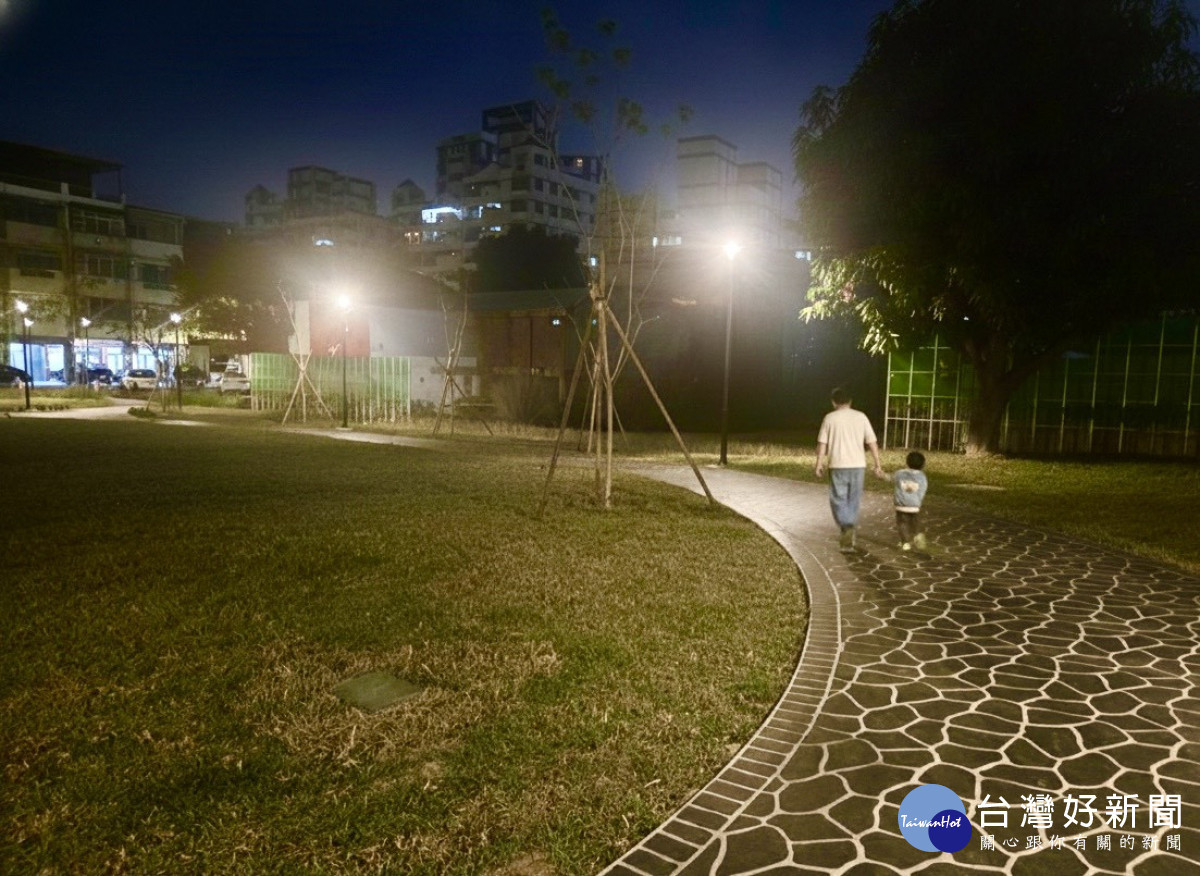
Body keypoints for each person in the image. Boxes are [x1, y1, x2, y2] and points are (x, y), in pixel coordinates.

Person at [814, 387, 884, 551]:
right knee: (853, 499)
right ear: (850, 401)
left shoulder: (829, 418)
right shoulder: (861, 417)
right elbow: (872, 441)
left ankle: (846, 525)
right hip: (858, 465)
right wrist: (877, 463)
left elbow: (822, 444)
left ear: (833, 402)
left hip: (837, 465)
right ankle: (849, 528)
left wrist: (819, 464)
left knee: (838, 499)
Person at [892, 451, 929, 551]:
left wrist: (881, 475)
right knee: (915, 522)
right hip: (914, 505)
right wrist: (918, 500)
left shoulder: (899, 473)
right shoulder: (922, 476)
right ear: (922, 465)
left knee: (902, 523)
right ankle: (917, 534)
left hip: (901, 505)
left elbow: (890, 478)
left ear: (907, 462)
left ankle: (905, 543)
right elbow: (923, 488)